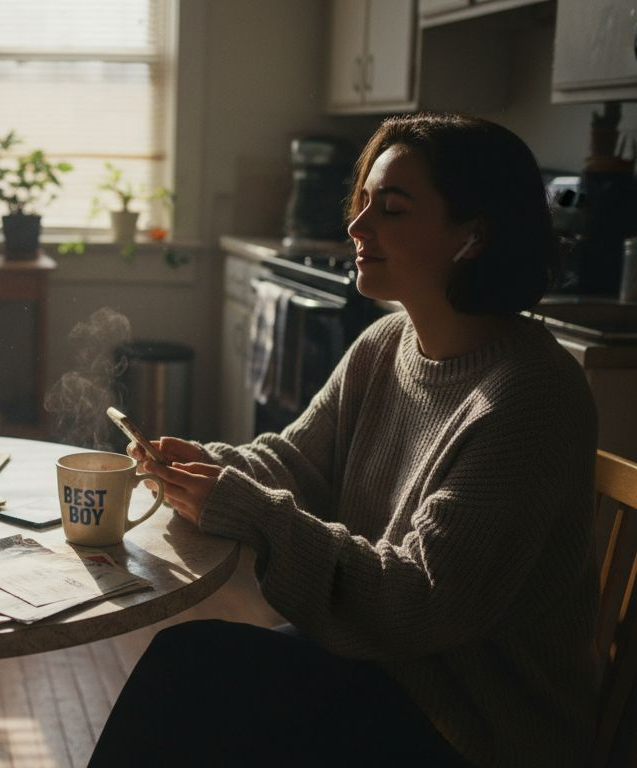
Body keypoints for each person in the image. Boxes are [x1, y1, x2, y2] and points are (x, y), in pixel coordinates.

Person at [89, 113, 598, 767]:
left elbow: (419, 604)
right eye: (364, 203)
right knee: (194, 672)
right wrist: (210, 465)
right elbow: (297, 460)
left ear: (472, 236)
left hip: (475, 726)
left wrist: (248, 509)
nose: (357, 226)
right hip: (386, 672)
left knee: (193, 672)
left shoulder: (530, 398)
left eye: (391, 209)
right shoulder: (386, 344)